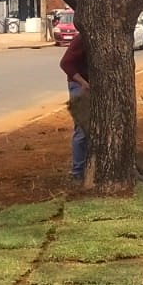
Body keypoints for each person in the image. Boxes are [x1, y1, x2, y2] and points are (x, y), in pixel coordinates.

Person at [59, 32, 89, 181]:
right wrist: (83, 83)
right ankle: (77, 172)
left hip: (93, 86)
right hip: (80, 87)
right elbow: (65, 63)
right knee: (82, 129)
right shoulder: (82, 39)